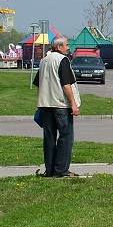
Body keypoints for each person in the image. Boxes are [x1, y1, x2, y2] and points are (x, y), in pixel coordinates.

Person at [34, 35, 81, 178]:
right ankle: (61, 169)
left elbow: (39, 83)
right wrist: (73, 104)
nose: (68, 48)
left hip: (46, 105)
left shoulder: (44, 61)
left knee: (49, 137)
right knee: (66, 136)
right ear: (59, 47)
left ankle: (50, 170)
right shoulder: (62, 60)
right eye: (66, 45)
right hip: (60, 105)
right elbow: (66, 85)